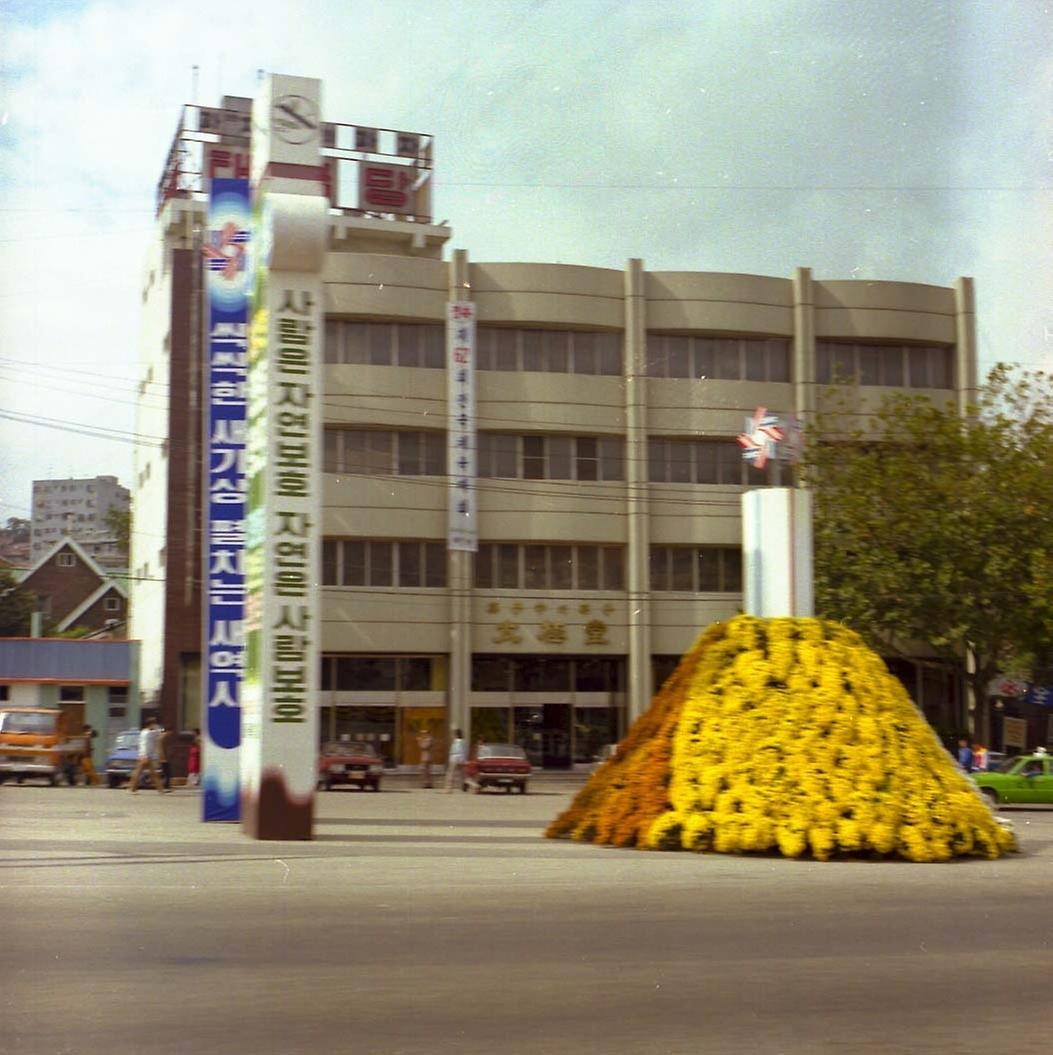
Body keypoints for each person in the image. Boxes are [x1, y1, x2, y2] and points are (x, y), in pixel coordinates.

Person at [128, 718, 167, 793]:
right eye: (154, 724)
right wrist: (159, 729)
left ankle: (133, 788)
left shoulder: (144, 732)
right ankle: (132, 789)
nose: (156, 725)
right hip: (146, 756)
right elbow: (160, 734)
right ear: (151, 724)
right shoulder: (149, 733)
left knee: (144, 773)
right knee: (142, 773)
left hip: (143, 755)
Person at [444, 727, 466, 793]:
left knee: (450, 773)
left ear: (456, 735)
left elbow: (454, 751)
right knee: (462, 774)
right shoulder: (462, 741)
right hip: (461, 758)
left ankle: (449, 789)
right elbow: (464, 751)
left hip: (455, 758)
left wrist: (450, 758)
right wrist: (463, 759)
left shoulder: (456, 742)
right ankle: (465, 786)